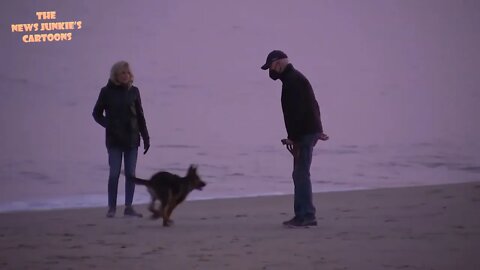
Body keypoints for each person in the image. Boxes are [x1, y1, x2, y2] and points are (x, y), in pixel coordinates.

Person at [261, 50, 329, 227]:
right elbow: (312, 105)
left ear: (278, 63)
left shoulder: (292, 81)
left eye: (271, 67)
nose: (271, 71)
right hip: (308, 131)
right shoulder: (294, 79)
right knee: (300, 173)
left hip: (304, 133)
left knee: (300, 174)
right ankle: (303, 214)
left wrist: (294, 138)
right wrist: (318, 130)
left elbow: (297, 113)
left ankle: (306, 215)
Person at [93, 61, 150, 218]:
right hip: (114, 140)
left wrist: (146, 137)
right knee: (114, 173)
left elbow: (140, 116)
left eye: (127, 73)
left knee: (130, 174)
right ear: (116, 76)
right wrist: (108, 125)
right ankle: (112, 207)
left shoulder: (134, 91)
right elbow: (96, 114)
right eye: (122, 73)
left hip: (132, 139)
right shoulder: (106, 92)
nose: (125, 76)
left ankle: (128, 207)